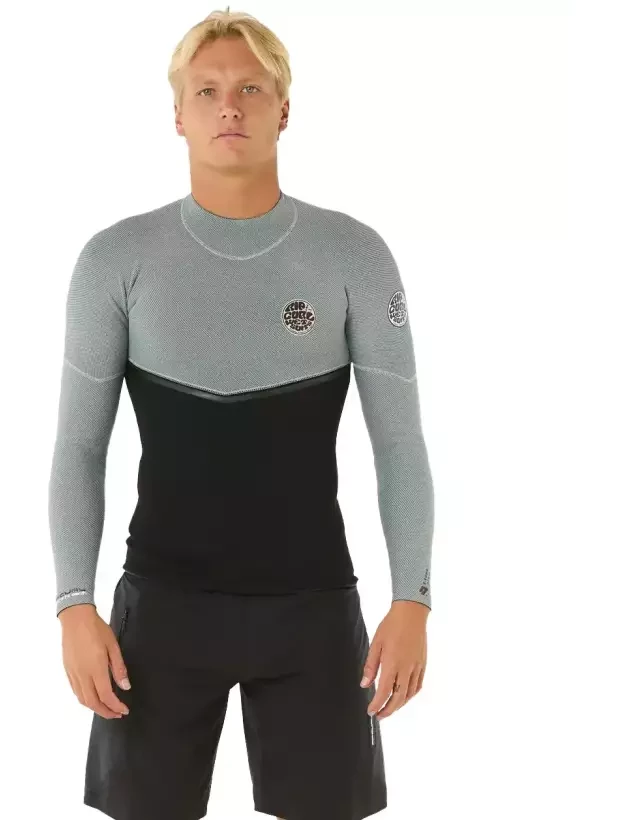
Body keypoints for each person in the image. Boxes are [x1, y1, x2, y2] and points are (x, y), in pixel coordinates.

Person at [48, 8, 434, 819]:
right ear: (178, 115)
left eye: (251, 89)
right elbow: (79, 445)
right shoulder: (116, 260)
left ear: (284, 109)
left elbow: (399, 443)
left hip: (312, 610)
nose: (230, 106)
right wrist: (74, 604)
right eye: (208, 90)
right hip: (160, 613)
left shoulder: (352, 255)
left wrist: (413, 599)